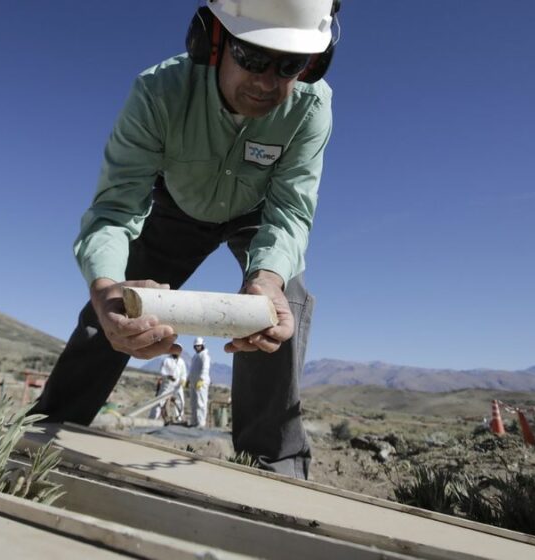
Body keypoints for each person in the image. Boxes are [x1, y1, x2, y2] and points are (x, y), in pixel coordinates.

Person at [31, 0, 340, 480]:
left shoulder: (312, 106)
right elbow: (116, 209)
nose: (266, 81)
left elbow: (291, 209)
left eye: (289, 65)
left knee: (283, 306)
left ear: (314, 63)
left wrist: (267, 278)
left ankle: (275, 467)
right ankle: (47, 430)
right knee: (113, 306)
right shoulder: (159, 91)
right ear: (212, 40)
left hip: (256, 216)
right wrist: (107, 286)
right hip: (176, 207)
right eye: (253, 56)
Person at [149, 342, 187, 422]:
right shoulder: (166, 360)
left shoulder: (181, 362)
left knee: (180, 402)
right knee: (159, 401)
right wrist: (168, 376)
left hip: (178, 386)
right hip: (167, 385)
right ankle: (153, 418)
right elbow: (162, 372)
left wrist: (183, 381)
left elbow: (184, 373)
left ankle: (178, 418)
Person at [188, 337, 212, 428]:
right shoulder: (195, 356)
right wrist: (188, 379)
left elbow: (205, 368)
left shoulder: (205, 356)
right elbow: (192, 369)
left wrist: (201, 380)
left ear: (202, 345)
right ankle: (194, 422)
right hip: (194, 382)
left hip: (201, 383)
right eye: (195, 346)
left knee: (201, 402)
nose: (197, 348)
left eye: (198, 346)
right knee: (193, 402)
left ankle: (201, 423)